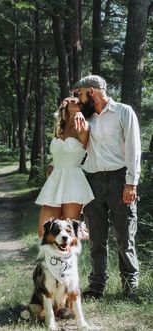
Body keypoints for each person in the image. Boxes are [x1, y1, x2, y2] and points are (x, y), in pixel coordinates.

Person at [72, 75, 141, 300]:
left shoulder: (123, 112)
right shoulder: (84, 117)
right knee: (96, 239)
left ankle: (130, 286)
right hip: (91, 181)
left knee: (124, 236)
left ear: (91, 92)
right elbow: (76, 147)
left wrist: (131, 182)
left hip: (119, 180)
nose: (79, 99)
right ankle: (96, 287)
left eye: (80, 94)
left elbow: (133, 150)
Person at [35, 97, 94, 238]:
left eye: (79, 100)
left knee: (68, 230)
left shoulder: (83, 126)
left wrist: (81, 116)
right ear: (65, 105)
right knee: (44, 231)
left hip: (73, 180)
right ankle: (81, 233)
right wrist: (52, 164)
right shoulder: (59, 128)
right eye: (73, 99)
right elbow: (61, 152)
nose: (76, 99)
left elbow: (85, 150)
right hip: (55, 180)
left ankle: (80, 239)